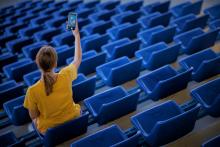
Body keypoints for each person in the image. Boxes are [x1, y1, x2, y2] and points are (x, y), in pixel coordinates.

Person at [23, 20, 82, 134]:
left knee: (33, 122)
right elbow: (77, 59)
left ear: (37, 63)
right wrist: (76, 34)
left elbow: (34, 116)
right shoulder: (66, 74)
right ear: (55, 63)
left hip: (50, 130)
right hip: (74, 119)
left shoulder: (32, 91)